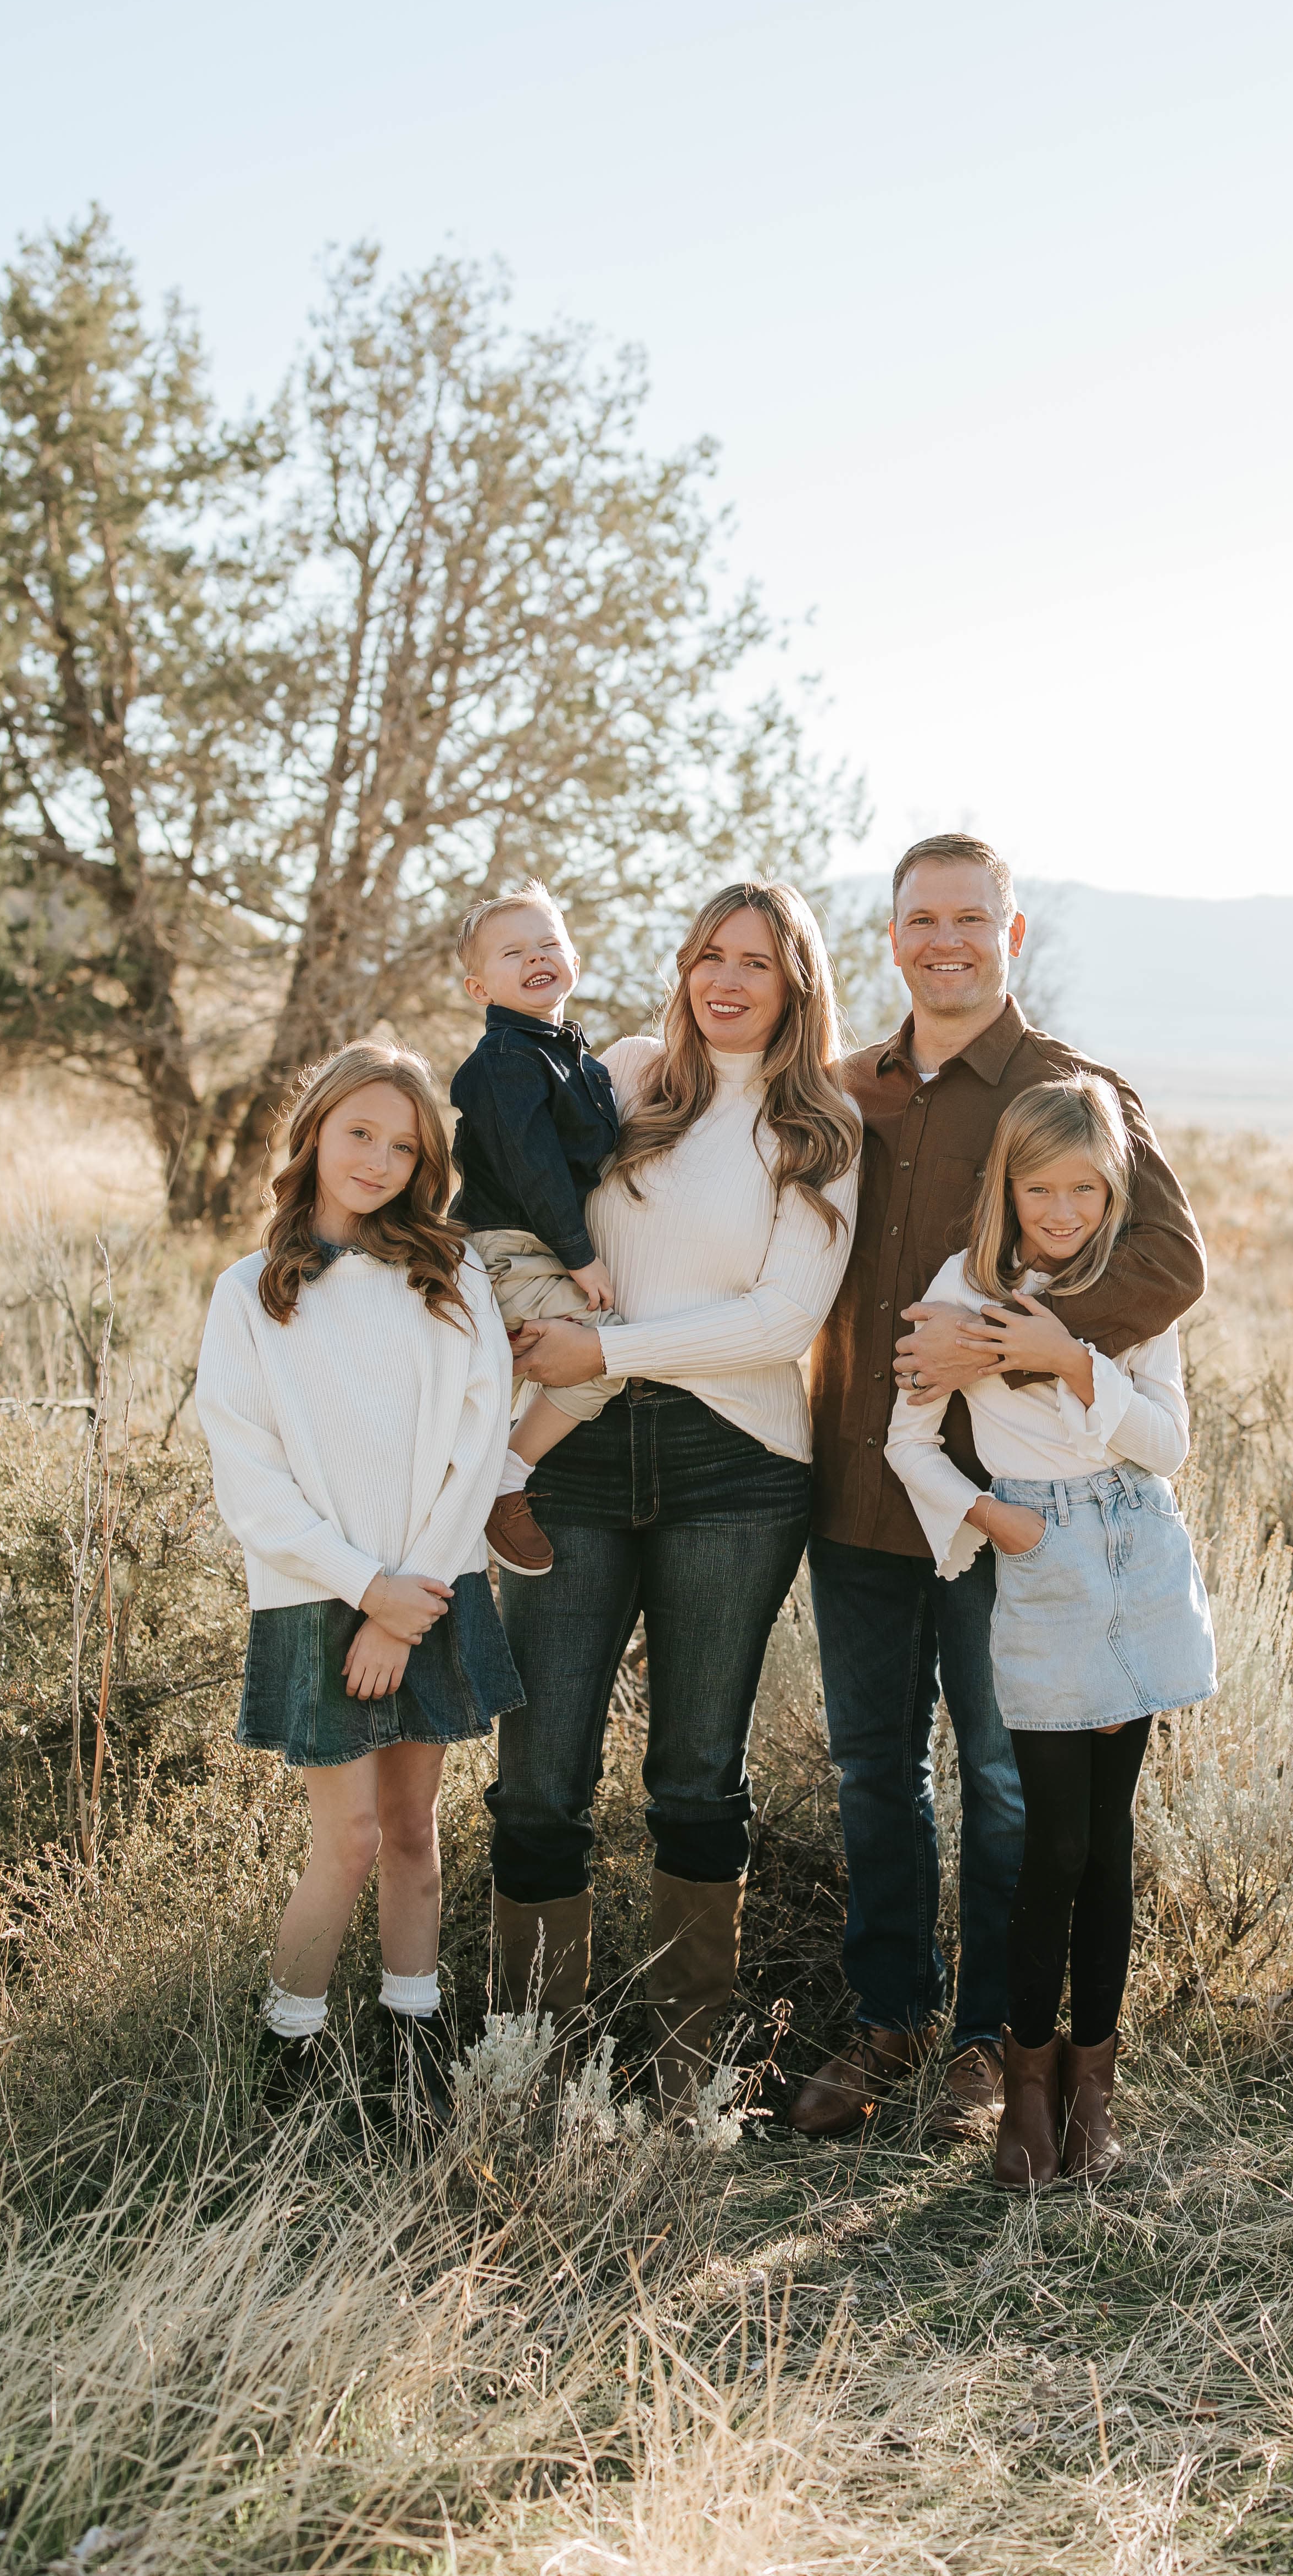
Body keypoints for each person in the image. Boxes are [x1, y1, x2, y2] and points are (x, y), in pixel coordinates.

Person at [795, 834, 1206, 2142]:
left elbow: (1171, 1266)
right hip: (860, 1487)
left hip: (1012, 1507)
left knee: (1001, 1777)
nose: (945, 939)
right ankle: (887, 2021)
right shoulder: (847, 1088)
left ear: (1010, 935)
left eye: (972, 916)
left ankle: (990, 2049)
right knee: (872, 1771)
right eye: (921, 918)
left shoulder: (1066, 1086)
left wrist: (1019, 1336)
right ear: (894, 934)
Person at [488, 880, 861, 2116]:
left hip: (733, 1466)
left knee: (695, 1775)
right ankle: (532, 2065)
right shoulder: (632, 1075)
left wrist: (611, 1353)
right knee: (541, 1771)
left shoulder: (821, 1130)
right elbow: (517, 1179)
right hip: (574, 1463)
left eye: (758, 960)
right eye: (710, 954)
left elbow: (781, 1322)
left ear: (796, 983)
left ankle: (682, 2071)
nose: (729, 979)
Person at [885, 1075, 1216, 2187]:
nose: (1063, 1209)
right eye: (1041, 1187)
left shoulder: (1125, 1292)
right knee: (1051, 1844)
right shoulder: (964, 1287)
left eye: (1085, 1186)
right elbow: (908, 1443)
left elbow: (1167, 1444)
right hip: (1041, 1562)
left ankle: (1092, 2096)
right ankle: (1024, 2094)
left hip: (1137, 1552)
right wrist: (991, 1520)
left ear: (1115, 1186)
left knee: (1109, 1845)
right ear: (1008, 1186)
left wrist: (1080, 1363)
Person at [196, 1041, 520, 2109]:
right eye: (358, 1134)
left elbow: (477, 1448)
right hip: (315, 1598)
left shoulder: (449, 1275)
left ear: (427, 1160)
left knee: (416, 1832)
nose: (378, 1159)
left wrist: (410, 1596)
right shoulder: (253, 1294)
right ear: (315, 1134)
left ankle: (415, 2050)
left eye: (403, 1143)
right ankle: (287, 2060)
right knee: (346, 1838)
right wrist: (362, 1590)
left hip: (430, 1591)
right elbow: (251, 1483)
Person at [448, 880, 625, 1580]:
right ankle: (500, 1480)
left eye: (549, 943)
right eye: (512, 952)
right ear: (477, 985)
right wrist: (581, 1258)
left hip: (534, 1245)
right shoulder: (505, 1063)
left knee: (558, 1360)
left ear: (574, 956)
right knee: (604, 1352)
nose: (535, 958)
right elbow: (534, 1169)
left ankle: (484, 1470)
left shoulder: (572, 1054)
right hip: (506, 1244)